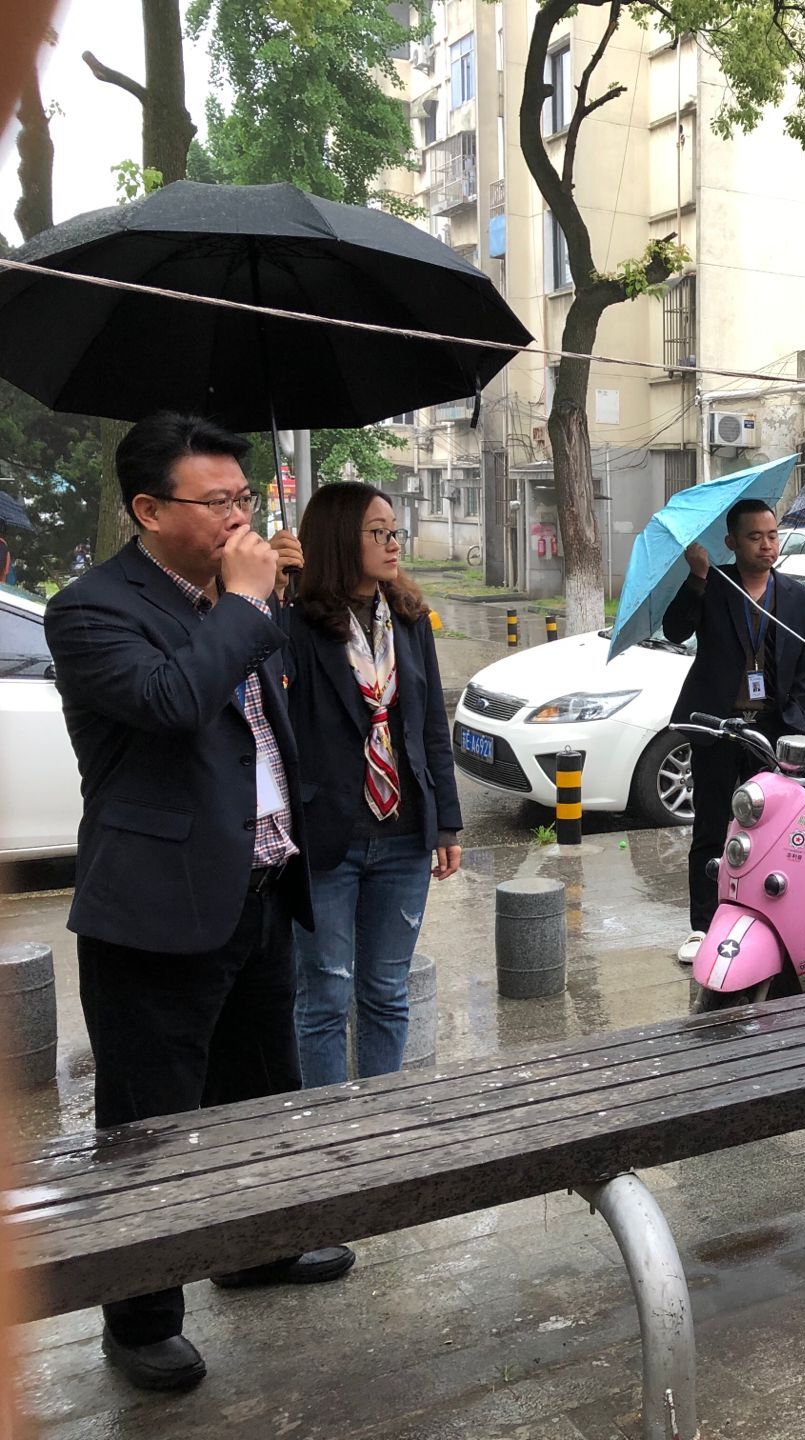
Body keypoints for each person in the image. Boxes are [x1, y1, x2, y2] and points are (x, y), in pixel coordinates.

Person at [42, 413, 353, 1394]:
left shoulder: (243, 598)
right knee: (149, 1126)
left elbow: (277, 724)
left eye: (243, 498)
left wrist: (278, 605)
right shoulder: (91, 608)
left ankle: (253, 1249)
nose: (237, 516)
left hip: (260, 885)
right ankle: (140, 1320)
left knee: (261, 1096)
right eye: (216, 501)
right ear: (148, 509)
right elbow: (172, 702)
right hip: (155, 907)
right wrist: (247, 603)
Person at [282, 483, 463, 1086]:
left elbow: (431, 725)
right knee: (325, 995)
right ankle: (329, 1126)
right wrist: (271, 599)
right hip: (326, 837)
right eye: (378, 532)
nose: (393, 544)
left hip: (405, 835)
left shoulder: (408, 619)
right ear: (339, 539)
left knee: (387, 991)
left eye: (395, 531)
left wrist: (447, 822)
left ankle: (384, 1121)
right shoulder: (298, 623)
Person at [664, 498, 805, 963]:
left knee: (769, 830)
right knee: (711, 827)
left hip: (769, 732)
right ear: (732, 542)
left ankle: (760, 917)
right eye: (755, 537)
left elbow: (804, 671)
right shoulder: (715, 585)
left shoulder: (798, 597)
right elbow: (675, 630)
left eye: (772, 536)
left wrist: (792, 726)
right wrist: (697, 577)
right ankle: (703, 925)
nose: (766, 545)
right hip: (718, 727)